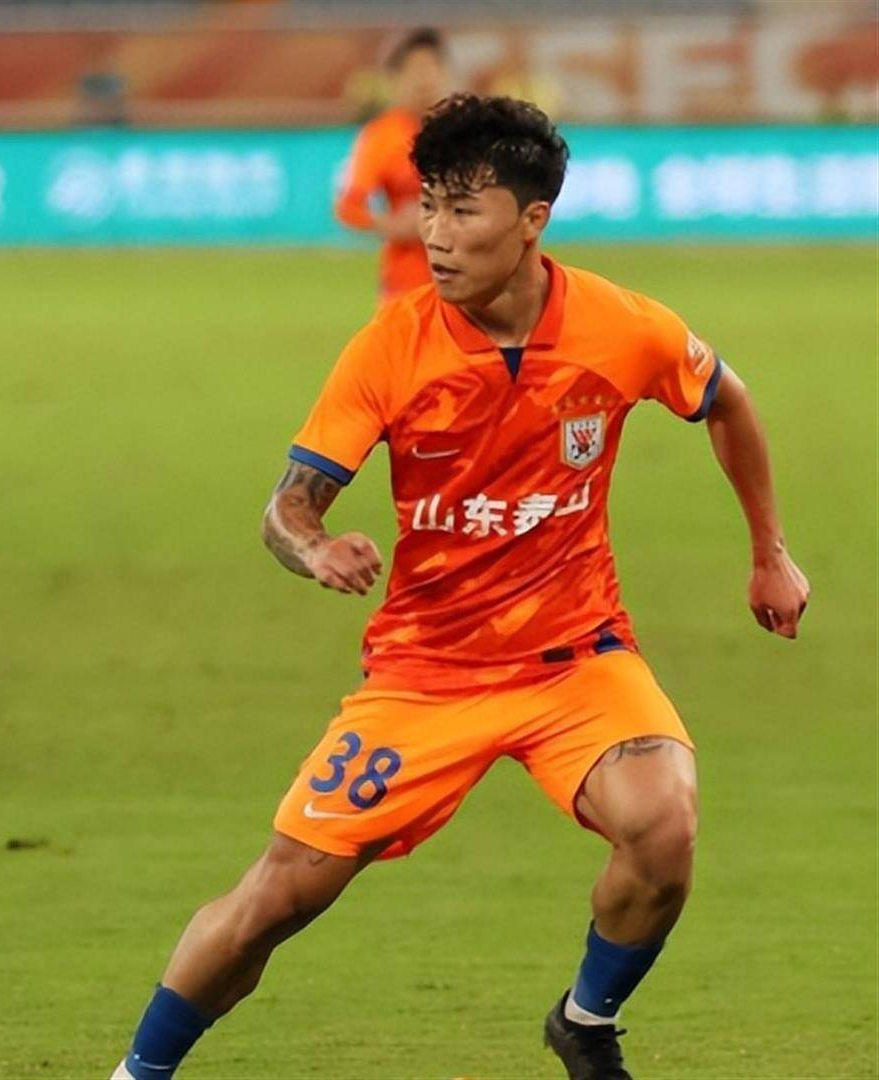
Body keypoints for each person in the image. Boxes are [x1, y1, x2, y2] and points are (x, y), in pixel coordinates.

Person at [110, 94, 810, 1080]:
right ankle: (137, 1073)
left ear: (531, 220)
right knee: (278, 897)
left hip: (576, 659)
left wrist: (768, 551)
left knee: (663, 827)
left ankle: (584, 1020)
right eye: (429, 206)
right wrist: (314, 548)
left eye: (461, 210)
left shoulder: (622, 327)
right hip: (426, 675)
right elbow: (286, 507)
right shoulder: (391, 345)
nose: (432, 235)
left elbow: (724, 398)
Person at [335, 26, 449, 301]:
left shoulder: (465, 129)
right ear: (396, 79)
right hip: (406, 284)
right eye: (415, 71)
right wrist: (394, 226)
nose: (425, 80)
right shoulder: (381, 136)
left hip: (468, 282)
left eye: (431, 68)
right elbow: (348, 207)